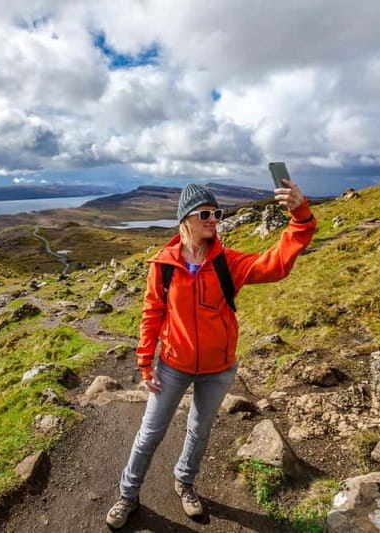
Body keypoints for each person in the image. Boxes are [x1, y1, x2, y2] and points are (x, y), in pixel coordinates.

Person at [105, 179, 316, 529]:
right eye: (206, 213)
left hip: (218, 369)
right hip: (172, 365)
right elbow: (151, 314)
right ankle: (128, 494)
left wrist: (300, 214)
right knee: (150, 433)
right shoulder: (164, 265)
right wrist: (145, 362)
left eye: (216, 213)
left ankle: (185, 483)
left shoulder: (226, 263)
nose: (214, 219)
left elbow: (276, 265)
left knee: (199, 430)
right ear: (185, 220)